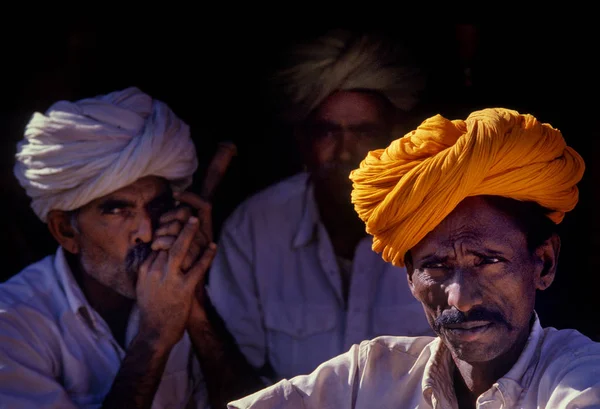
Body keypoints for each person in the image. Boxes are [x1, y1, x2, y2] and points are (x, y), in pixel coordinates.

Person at [228, 107, 600, 408]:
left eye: (488, 262)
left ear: (545, 264)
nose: (459, 299)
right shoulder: (369, 375)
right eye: (435, 267)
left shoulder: (582, 380)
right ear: (409, 277)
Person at [0, 87, 261, 409]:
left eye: (157, 207)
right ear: (66, 230)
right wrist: (154, 336)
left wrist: (196, 307)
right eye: (118, 210)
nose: (146, 233)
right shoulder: (12, 324)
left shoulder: (185, 289)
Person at [206, 28, 434, 383]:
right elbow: (231, 374)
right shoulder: (255, 227)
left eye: (363, 132)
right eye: (328, 132)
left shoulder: (440, 223)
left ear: (396, 136)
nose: (345, 152)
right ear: (302, 140)